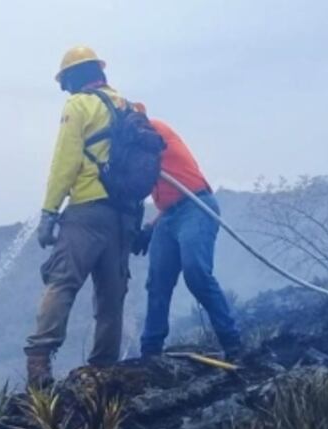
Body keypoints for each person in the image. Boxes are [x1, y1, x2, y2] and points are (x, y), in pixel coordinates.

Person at [24, 46, 141, 386]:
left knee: (62, 281)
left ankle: (39, 362)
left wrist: (49, 211)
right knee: (112, 293)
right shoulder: (128, 107)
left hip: (87, 209)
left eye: (65, 82)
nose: (65, 90)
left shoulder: (79, 105)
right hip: (123, 217)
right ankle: (103, 368)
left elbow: (66, 161)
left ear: (75, 77)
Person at [135, 119, 243, 360]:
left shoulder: (150, 130)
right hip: (168, 215)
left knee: (196, 272)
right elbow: (166, 198)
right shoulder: (134, 148)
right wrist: (149, 227)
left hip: (196, 205)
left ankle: (232, 342)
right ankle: (150, 351)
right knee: (158, 282)